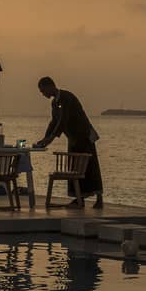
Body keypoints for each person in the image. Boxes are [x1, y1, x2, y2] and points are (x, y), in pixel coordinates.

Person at [37, 76, 103, 208]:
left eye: (43, 90)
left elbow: (63, 120)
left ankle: (99, 199)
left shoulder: (66, 98)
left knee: (90, 167)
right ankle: (79, 198)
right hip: (72, 138)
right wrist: (45, 138)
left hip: (84, 136)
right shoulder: (54, 103)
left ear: (50, 86)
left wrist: (50, 139)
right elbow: (54, 121)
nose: (42, 94)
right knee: (74, 168)